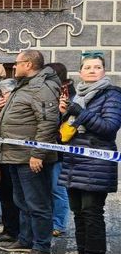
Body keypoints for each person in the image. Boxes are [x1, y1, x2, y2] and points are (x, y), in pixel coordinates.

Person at [0, 49, 60, 254]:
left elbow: (48, 122)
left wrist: (38, 153)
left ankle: (42, 245)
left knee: (37, 203)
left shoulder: (42, 87)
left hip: (30, 157)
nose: (14, 66)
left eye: (17, 62)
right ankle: (25, 239)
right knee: (21, 201)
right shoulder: (25, 85)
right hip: (15, 155)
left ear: (29, 64)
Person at [58, 54, 120, 254]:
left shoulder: (111, 95)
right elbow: (68, 129)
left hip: (97, 161)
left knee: (92, 213)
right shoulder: (78, 95)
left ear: (104, 71)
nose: (92, 70)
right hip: (74, 160)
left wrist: (79, 112)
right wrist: (64, 113)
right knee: (78, 213)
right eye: (87, 67)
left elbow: (109, 127)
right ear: (80, 72)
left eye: (97, 67)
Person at [0, 77, 21, 244]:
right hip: (3, 155)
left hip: (14, 155)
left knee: (13, 196)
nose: (0, 98)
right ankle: (8, 228)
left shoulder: (18, 106)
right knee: (4, 194)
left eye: (3, 94)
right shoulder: (4, 107)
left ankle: (14, 230)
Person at [46, 62, 71, 238]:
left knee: (58, 189)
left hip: (60, 151)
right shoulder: (51, 93)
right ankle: (50, 221)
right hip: (48, 149)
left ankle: (59, 224)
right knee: (49, 188)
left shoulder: (68, 96)